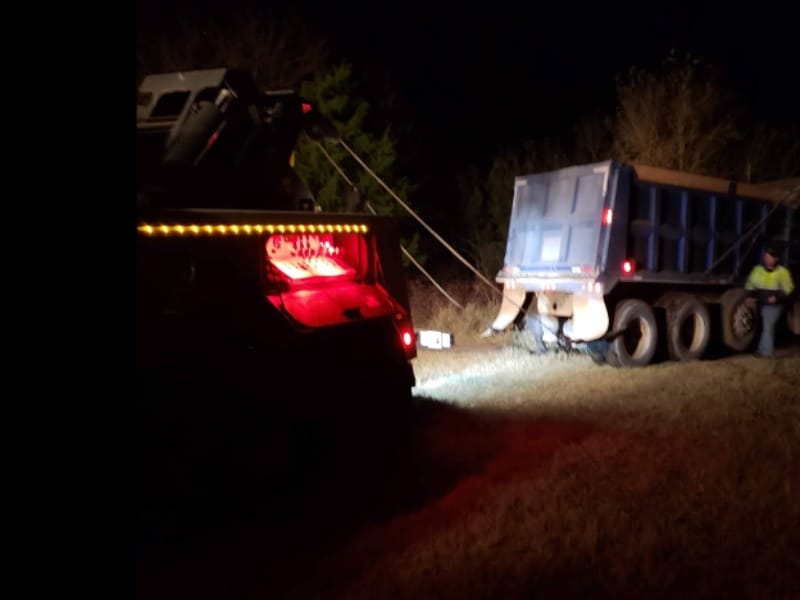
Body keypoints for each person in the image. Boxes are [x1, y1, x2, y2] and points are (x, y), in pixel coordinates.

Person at [744, 244, 796, 357]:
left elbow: (789, 289)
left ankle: (766, 352)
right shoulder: (757, 270)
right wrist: (750, 295)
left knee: (768, 326)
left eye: (770, 257)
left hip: (775, 305)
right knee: (766, 327)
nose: (767, 259)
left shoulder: (783, 272)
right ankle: (762, 350)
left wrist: (777, 297)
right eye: (766, 256)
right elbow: (750, 284)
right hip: (761, 303)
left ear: (776, 259)